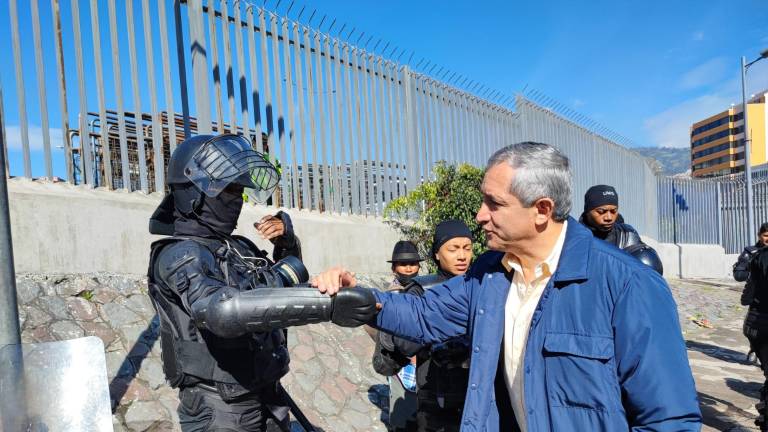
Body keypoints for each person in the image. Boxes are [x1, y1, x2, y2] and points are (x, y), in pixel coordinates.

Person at [312, 142, 701, 431]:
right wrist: (362, 298)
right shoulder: (490, 274)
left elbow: (669, 419)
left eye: (494, 203)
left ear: (542, 210)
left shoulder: (629, 285)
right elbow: (425, 314)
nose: (480, 215)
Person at [147, 134, 307, 432]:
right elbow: (221, 312)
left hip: (265, 389)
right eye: (228, 189)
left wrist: (287, 245)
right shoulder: (180, 254)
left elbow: (290, 284)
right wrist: (278, 279)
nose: (236, 200)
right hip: (221, 405)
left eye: (239, 190)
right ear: (193, 193)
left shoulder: (238, 247)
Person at [373, 220, 474, 432]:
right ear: (437, 253)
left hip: (476, 398)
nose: (462, 256)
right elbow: (401, 346)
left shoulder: (482, 285)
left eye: (467, 248)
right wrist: (437, 337)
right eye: (453, 249)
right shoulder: (421, 290)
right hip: (435, 402)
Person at [579, 184, 664, 275]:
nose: (609, 217)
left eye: (613, 211)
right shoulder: (577, 238)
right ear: (587, 211)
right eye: (601, 212)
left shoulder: (626, 235)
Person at [740, 223, 768, 430]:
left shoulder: (759, 256)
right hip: (760, 321)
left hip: (756, 322)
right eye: (765, 235)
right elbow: (739, 275)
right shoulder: (755, 254)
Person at [735, 222, 768, 306]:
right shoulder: (751, 252)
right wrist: (753, 270)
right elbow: (739, 275)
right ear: (759, 235)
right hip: (757, 301)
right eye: (766, 235)